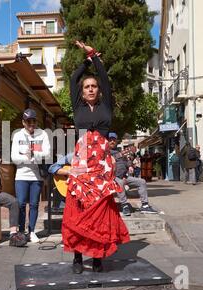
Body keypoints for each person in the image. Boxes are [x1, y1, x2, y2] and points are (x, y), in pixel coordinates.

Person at [62, 41, 130, 275]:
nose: (90, 89)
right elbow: (73, 79)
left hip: (101, 165)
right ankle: (78, 257)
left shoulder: (106, 107)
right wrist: (86, 61)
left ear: (99, 91)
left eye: (94, 86)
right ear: (82, 93)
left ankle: (98, 256)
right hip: (82, 164)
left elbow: (105, 78)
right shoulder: (78, 107)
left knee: (100, 209)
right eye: (87, 87)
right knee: (79, 208)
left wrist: (96, 57)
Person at [11, 108, 51, 243]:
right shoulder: (17, 135)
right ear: (23, 122)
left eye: (33, 121)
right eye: (28, 121)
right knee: (21, 204)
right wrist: (28, 158)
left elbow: (48, 154)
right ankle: (21, 232)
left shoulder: (43, 135)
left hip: (37, 176)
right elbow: (14, 158)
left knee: (34, 204)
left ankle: (32, 231)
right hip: (21, 176)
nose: (31, 124)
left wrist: (33, 155)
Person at [108, 133, 159, 217]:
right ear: (107, 141)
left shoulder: (119, 151)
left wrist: (130, 165)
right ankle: (124, 205)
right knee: (120, 183)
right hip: (113, 177)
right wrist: (120, 155)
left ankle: (145, 205)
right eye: (110, 140)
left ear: (116, 141)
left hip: (125, 176)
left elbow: (126, 162)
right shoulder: (104, 151)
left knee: (141, 181)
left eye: (114, 140)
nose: (112, 141)